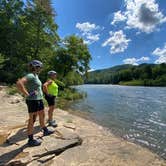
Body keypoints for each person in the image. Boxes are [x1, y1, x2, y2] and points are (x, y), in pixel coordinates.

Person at [16, 60, 54, 146]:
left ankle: (45, 129)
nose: (41, 69)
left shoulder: (35, 76)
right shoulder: (30, 75)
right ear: (36, 67)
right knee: (32, 119)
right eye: (40, 67)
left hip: (39, 100)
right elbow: (19, 83)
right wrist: (27, 94)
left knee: (42, 115)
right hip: (33, 101)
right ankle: (30, 140)